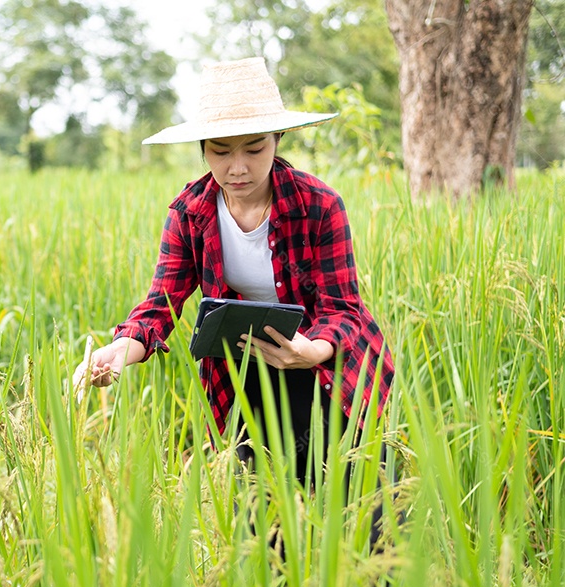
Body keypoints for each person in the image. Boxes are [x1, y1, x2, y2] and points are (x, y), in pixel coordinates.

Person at [73, 57, 394, 481]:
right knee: (265, 517)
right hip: (244, 370)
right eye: (220, 152)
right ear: (203, 148)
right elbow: (159, 307)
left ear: (278, 140)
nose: (237, 167)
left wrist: (309, 352)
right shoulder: (191, 213)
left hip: (327, 364)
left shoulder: (319, 205)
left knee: (357, 501)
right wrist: (116, 355)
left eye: (255, 149)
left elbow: (343, 309)